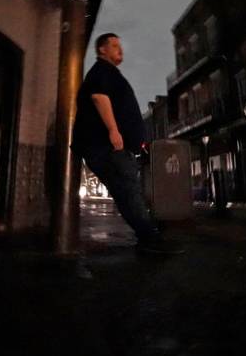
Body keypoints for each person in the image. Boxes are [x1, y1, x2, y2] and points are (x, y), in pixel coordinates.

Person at [72, 33, 184, 255]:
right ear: (102, 50)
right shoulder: (102, 71)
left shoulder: (110, 73)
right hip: (107, 147)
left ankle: (148, 238)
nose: (119, 49)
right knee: (129, 193)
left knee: (128, 193)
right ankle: (151, 241)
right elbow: (99, 97)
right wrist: (114, 130)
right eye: (114, 45)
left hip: (111, 147)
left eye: (119, 45)